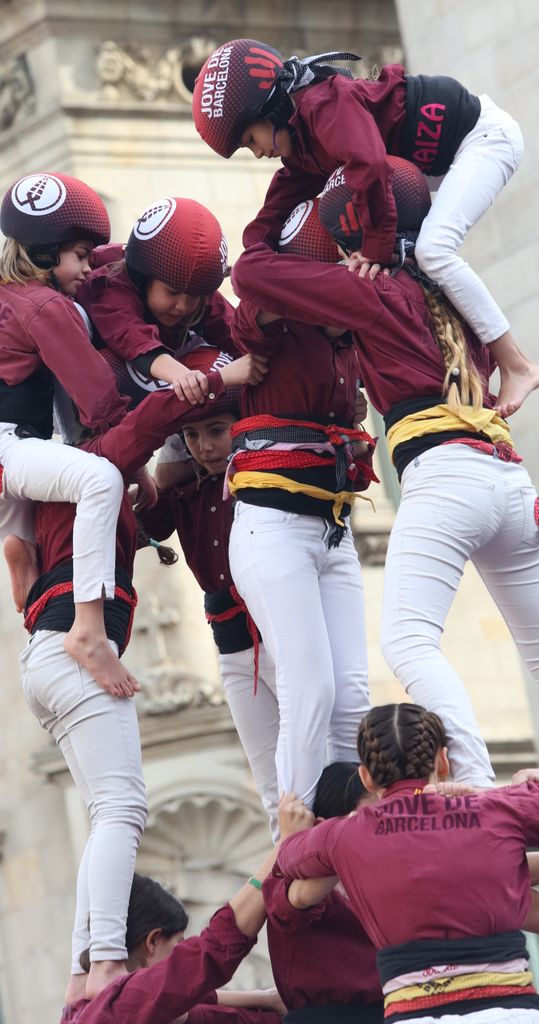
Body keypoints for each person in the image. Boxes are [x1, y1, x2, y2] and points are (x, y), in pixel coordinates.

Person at [230, 161, 539, 789]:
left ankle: (477, 787)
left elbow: (252, 272)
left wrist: (297, 177)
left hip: (446, 476)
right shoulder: (450, 280)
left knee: (406, 642)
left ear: (353, 235)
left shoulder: (370, 292)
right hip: (509, 478)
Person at [11, 348, 266, 1004]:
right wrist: (217, 376)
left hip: (43, 657)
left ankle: (80, 974)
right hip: (74, 649)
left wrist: (152, 485)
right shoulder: (90, 464)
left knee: (106, 813)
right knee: (122, 809)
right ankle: (102, 966)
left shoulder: (55, 484)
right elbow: (152, 421)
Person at [192, 40, 539, 417]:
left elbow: (370, 166)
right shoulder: (305, 149)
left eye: (250, 140)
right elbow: (274, 209)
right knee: (416, 256)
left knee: (434, 251)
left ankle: (516, 364)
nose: (257, 152)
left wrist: (375, 248)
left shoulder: (323, 105)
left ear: (273, 107)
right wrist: (253, 258)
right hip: (448, 162)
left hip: (484, 139)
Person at [0, 171, 137, 695]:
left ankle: (23, 554)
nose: (85, 267)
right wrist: (137, 442)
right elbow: (98, 396)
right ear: (49, 252)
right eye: (79, 255)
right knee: (99, 482)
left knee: (45, 534)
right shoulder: (47, 308)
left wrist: (135, 254)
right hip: (2, 451)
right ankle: (89, 630)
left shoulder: (4, 283)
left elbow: (88, 263)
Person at [226, 202, 376, 809]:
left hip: (332, 534)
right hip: (273, 531)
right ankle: (294, 841)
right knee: (309, 687)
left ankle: (346, 840)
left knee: (352, 698)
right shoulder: (278, 329)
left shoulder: (350, 348)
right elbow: (252, 280)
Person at [277, 703, 539, 1023]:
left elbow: (290, 860)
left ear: (366, 777)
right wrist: (530, 781)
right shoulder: (498, 808)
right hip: (511, 1013)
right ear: (443, 761)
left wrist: (292, 836)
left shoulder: (345, 834)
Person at [137, 352, 281, 837]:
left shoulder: (266, 475)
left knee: (317, 757)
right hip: (233, 646)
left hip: (278, 629)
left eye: (217, 430)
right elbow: (141, 525)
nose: (204, 446)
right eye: (192, 436)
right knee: (270, 782)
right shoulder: (183, 491)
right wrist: (162, 464)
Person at [58, 794, 312, 1023]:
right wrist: (283, 847)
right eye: (178, 943)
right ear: (152, 941)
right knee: (118, 806)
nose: (182, 950)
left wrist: (265, 998)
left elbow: (195, 1005)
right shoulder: (121, 1007)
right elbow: (214, 950)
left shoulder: (84, 1011)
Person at [79, 197, 238, 409]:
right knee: (111, 363)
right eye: (172, 292)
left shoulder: (196, 288)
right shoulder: (108, 284)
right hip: (86, 394)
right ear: (142, 278)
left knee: (221, 363)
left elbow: (237, 333)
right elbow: (133, 338)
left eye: (193, 296)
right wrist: (183, 375)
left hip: (160, 369)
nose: (182, 306)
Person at [264, 762, 382, 1022]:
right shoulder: (293, 883)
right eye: (366, 820)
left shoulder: (386, 881)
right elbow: (291, 905)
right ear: (324, 826)